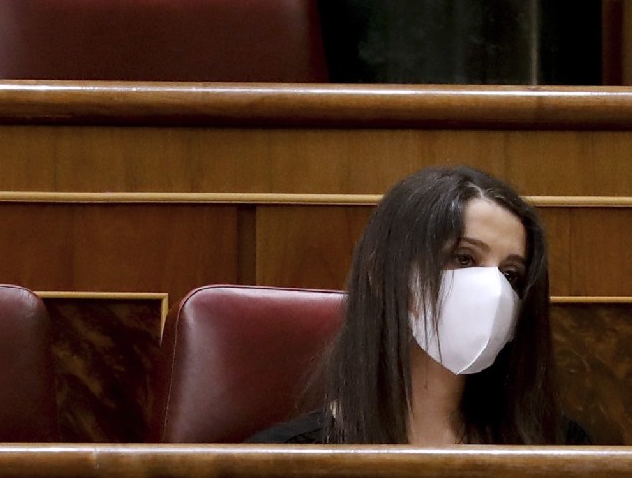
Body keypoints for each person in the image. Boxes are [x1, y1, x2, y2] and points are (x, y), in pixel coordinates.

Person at [248, 165, 590, 444]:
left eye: (511, 274)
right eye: (464, 258)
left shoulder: (561, 448)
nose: (494, 290)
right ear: (381, 274)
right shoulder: (285, 461)